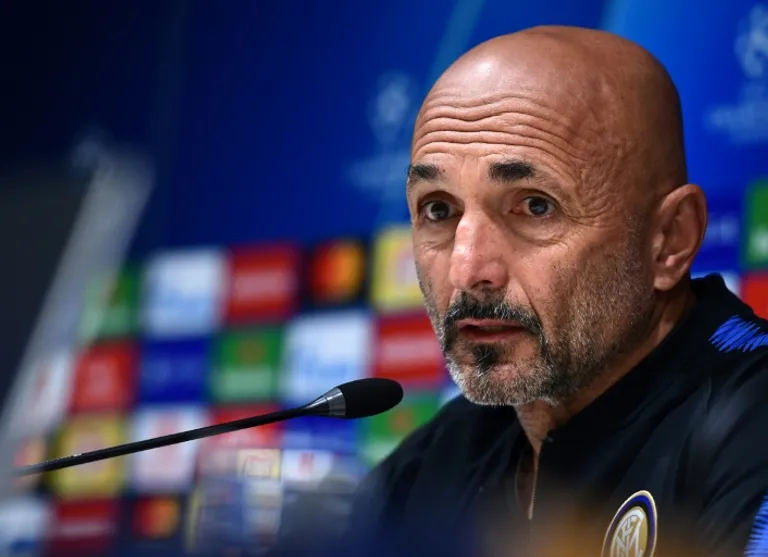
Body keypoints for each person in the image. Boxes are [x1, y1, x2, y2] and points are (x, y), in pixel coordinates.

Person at [348, 25, 768, 557]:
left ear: (669, 240)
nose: (466, 269)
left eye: (534, 206)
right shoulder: (419, 476)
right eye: (438, 209)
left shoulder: (750, 427)